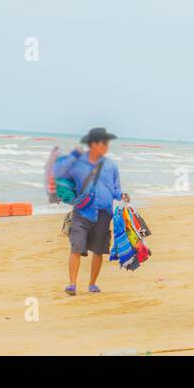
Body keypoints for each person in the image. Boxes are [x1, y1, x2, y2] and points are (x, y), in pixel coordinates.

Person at [53, 127, 127, 296]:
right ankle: (72, 284)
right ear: (93, 144)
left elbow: (116, 189)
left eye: (107, 143)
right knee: (76, 247)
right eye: (103, 142)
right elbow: (64, 181)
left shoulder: (112, 166)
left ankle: (92, 284)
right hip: (82, 211)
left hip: (104, 213)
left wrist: (122, 196)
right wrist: (64, 195)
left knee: (99, 250)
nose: (106, 146)